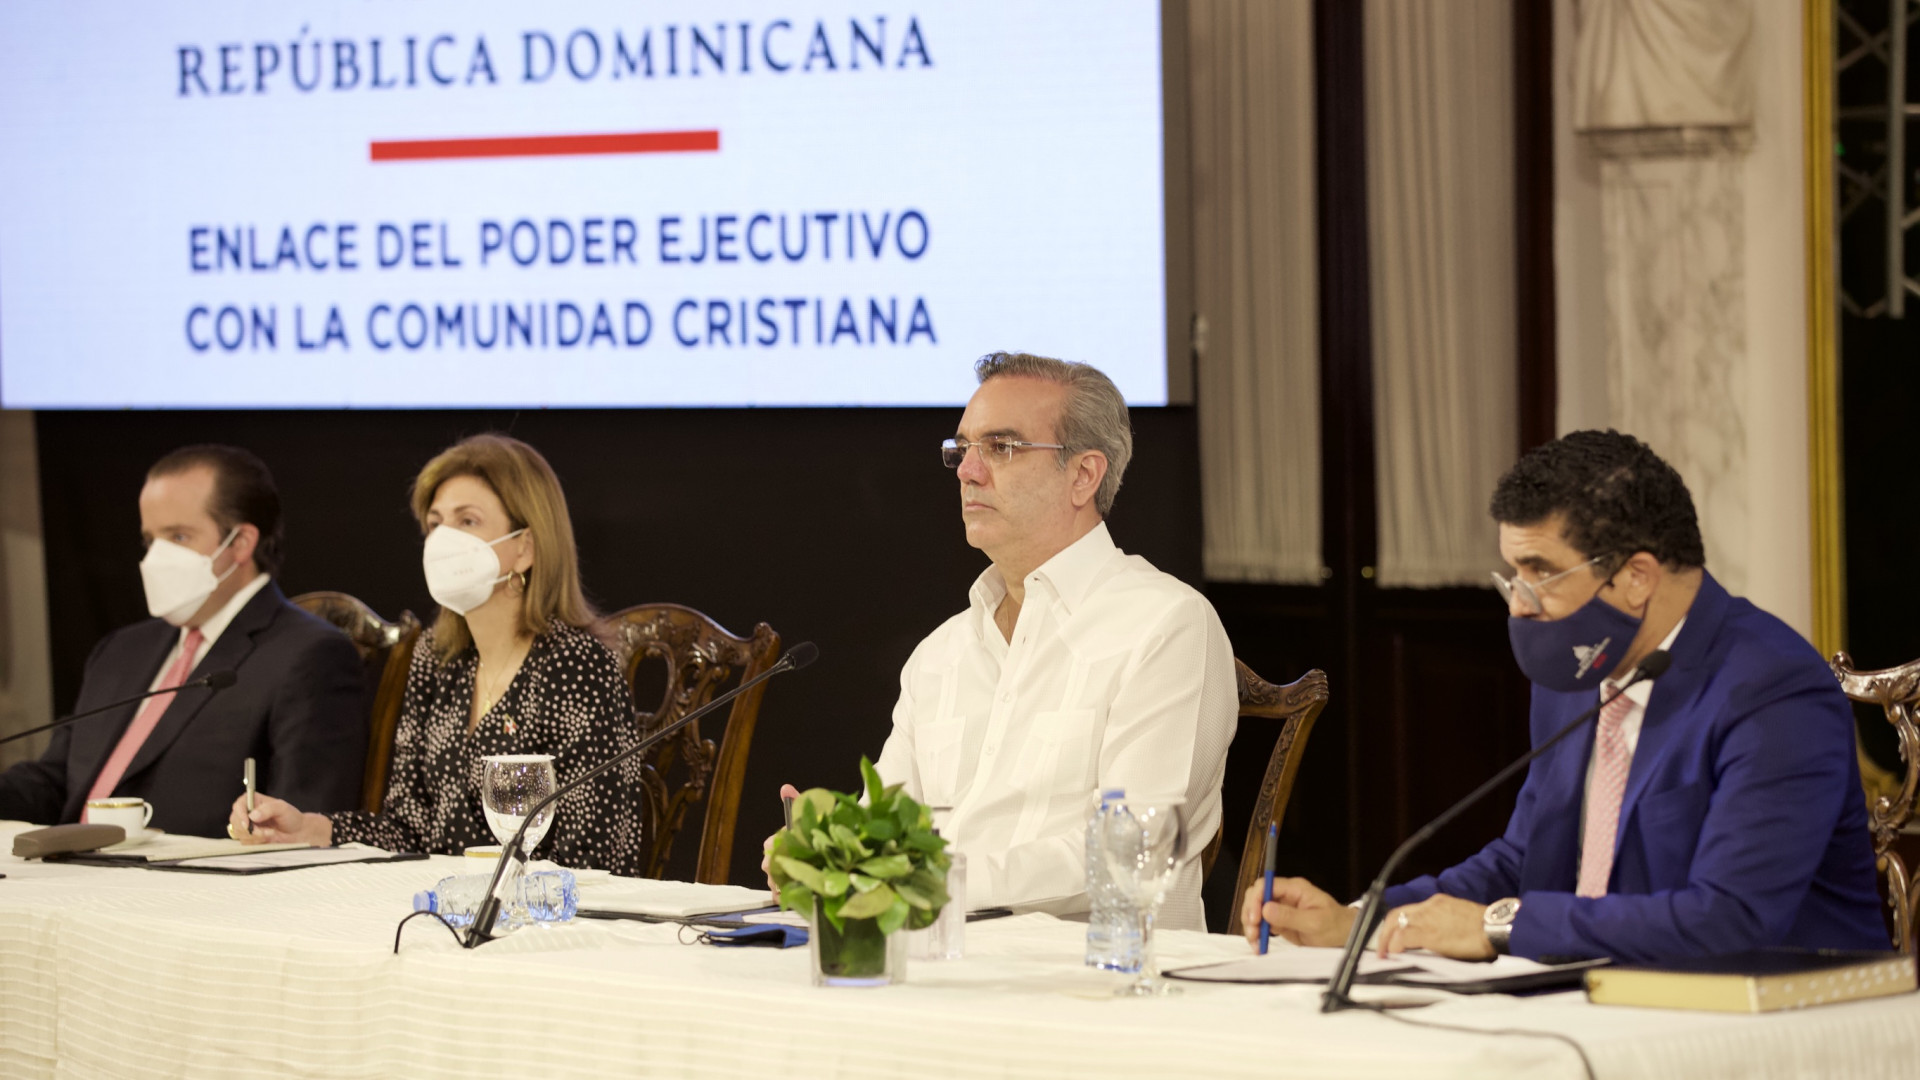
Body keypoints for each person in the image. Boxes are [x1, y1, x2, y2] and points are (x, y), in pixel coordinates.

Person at [1242, 430, 1886, 962]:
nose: (1520, 605)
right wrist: (1362, 920)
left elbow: (1729, 917)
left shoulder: (1773, 690)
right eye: (1513, 576)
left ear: (1636, 577)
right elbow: (1528, 856)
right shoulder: (1580, 673)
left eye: (1542, 574)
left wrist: (1499, 927)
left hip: (1783, 1020)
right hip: (1606, 999)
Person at [773, 353, 1237, 931]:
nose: (967, 471)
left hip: (1091, 973)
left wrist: (934, 877)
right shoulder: (939, 655)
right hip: (936, 960)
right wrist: (827, 855)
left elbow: (1132, 849)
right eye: (963, 448)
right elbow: (887, 824)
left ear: (1083, 475)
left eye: (1001, 447)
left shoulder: (1165, 626)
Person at [233, 434, 645, 874]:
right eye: (435, 524)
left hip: (539, 910)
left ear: (524, 547)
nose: (444, 540)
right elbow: (408, 830)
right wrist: (309, 829)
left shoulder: (578, 667)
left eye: (467, 521)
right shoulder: (436, 657)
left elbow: (598, 859)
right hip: (438, 900)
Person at [0, 446, 367, 838]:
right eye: (150, 540)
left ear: (241, 542)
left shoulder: (311, 656)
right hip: (66, 865)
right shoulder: (120, 650)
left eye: (178, 536)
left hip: (185, 873)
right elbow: (55, 780)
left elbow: (301, 822)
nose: (156, 558)